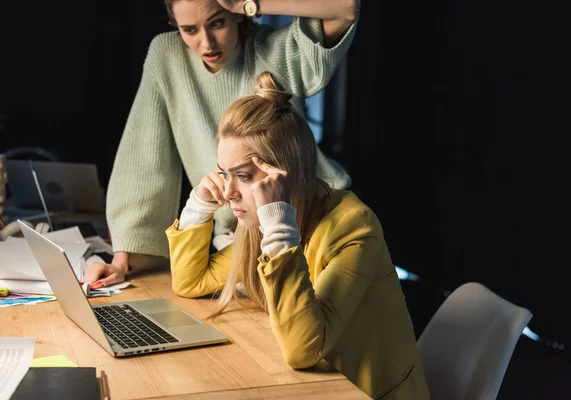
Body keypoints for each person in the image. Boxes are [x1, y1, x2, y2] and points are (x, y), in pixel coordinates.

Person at [166, 71, 431, 400]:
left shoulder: (353, 226)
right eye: (223, 174)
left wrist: (277, 225)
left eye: (243, 176)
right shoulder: (258, 227)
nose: (228, 192)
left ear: (283, 177)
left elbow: (303, 349)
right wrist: (197, 207)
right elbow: (190, 282)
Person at [83, 0, 360, 289]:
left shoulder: (271, 49)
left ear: (238, 15)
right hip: (242, 236)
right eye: (189, 30)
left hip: (316, 222)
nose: (206, 43)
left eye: (217, 23)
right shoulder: (168, 55)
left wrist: (251, 2)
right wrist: (122, 261)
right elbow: (143, 157)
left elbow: (345, 7)